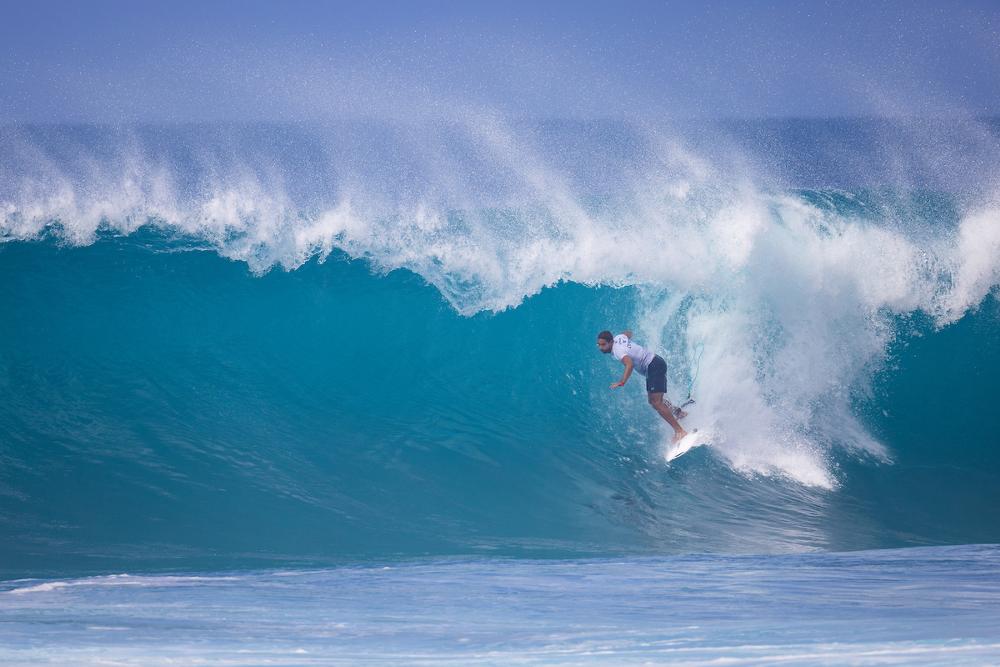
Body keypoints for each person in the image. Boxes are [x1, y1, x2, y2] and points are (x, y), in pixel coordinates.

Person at [597, 330, 688, 443]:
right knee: (653, 401)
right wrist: (629, 343)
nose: (600, 348)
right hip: (655, 362)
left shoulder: (618, 351)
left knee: (656, 402)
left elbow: (629, 364)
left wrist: (622, 381)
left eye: (603, 345)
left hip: (653, 366)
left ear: (611, 342)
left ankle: (680, 432)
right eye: (599, 345)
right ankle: (678, 412)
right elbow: (628, 333)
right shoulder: (619, 337)